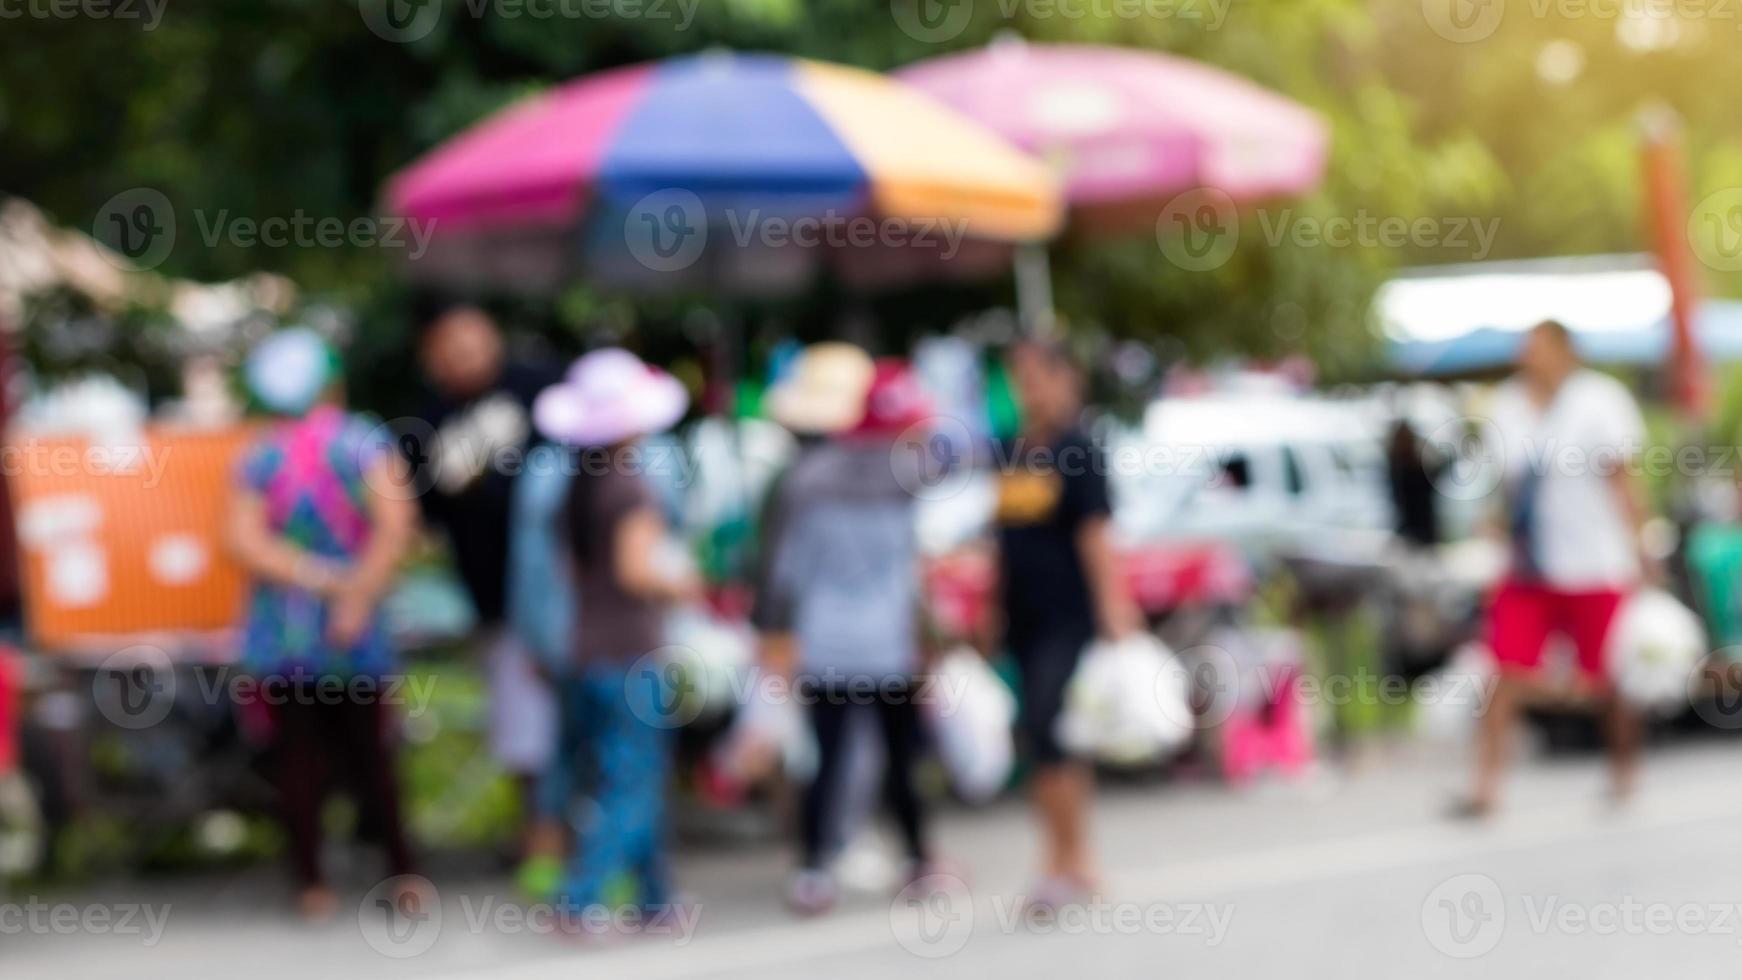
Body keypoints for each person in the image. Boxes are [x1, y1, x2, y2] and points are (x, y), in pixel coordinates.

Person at [227, 328, 419, 920]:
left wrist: (313, 577)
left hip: (283, 631)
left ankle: (311, 883)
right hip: (355, 630)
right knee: (373, 754)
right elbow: (396, 529)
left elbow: (241, 540)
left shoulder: (260, 455)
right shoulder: (365, 444)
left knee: (297, 757)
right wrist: (354, 596)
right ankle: (403, 876)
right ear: (332, 382)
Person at [760, 347, 941, 915]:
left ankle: (814, 870)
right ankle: (916, 863)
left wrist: (775, 637)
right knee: (899, 759)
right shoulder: (907, 477)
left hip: (828, 644)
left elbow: (786, 575)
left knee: (827, 759)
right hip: (888, 643)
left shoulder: (803, 483)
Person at [531, 348, 699, 931]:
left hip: (585, 646)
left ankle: (655, 898)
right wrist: (681, 581)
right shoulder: (630, 487)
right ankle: (580, 898)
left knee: (619, 774)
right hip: (631, 649)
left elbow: (572, 573)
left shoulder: (574, 487)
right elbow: (636, 571)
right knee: (634, 781)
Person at [1461, 319, 1652, 817]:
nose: (1528, 359)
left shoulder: (1600, 402)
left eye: (1538, 349)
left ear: (1565, 352)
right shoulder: (1508, 406)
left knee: (1605, 679)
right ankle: (1486, 787)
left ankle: (1623, 769)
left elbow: (1621, 481)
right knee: (1501, 670)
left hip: (1593, 563)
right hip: (1528, 569)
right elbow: (1506, 490)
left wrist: (1643, 547)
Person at [988, 338, 1138, 909]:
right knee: (1043, 737)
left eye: (1037, 377)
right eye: (1019, 379)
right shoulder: (1010, 451)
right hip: (1020, 618)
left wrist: (1115, 612)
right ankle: (1070, 854)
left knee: (1055, 733)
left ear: (1063, 378)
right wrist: (988, 609)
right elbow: (1002, 539)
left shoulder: (1080, 449)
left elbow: (1095, 535)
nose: (1029, 390)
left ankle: (1064, 859)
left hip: (1069, 617)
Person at [408, 300, 559, 851]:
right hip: (495, 598)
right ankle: (540, 836)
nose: (463, 359)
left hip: (566, 594)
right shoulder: (425, 424)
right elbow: (420, 511)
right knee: (523, 724)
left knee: (581, 715)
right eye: (450, 350)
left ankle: (593, 833)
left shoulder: (541, 391)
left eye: (472, 345)